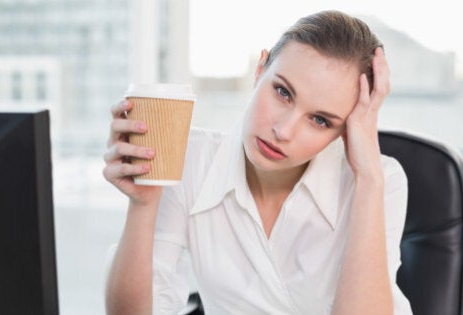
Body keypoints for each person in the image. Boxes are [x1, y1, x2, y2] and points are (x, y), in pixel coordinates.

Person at [103, 10, 412, 315]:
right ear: (260, 69)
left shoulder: (378, 180)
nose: (283, 131)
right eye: (282, 92)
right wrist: (143, 205)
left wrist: (368, 178)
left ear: (344, 130)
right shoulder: (193, 159)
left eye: (320, 120)